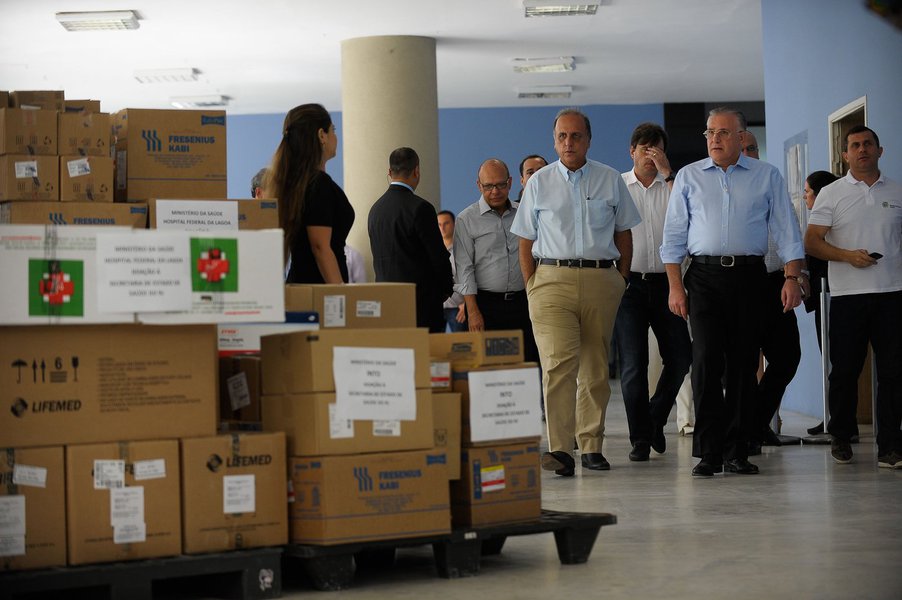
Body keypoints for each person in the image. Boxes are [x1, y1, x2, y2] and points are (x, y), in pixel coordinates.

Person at [661, 107, 804, 477]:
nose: (715, 139)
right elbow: (673, 237)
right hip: (703, 278)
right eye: (709, 133)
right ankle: (709, 452)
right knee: (706, 361)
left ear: (742, 137)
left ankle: (737, 449)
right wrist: (675, 287)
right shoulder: (690, 176)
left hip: (749, 278)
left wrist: (792, 277)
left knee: (743, 363)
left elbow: (787, 230)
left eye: (723, 133)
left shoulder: (766, 176)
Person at [512, 108, 640, 476]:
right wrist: (532, 284)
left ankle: (591, 446)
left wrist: (621, 278)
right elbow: (525, 238)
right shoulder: (538, 182)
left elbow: (624, 232)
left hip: (602, 280)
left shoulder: (610, 179)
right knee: (557, 365)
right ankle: (560, 449)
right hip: (550, 279)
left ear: (588, 139)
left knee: (596, 368)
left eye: (576, 136)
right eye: (562, 137)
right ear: (554, 141)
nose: (569, 143)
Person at [805, 125, 902, 469]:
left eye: (868, 144)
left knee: (893, 373)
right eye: (855, 145)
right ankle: (842, 436)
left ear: (880, 150)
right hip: (847, 296)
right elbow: (812, 241)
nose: (862, 150)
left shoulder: (896, 191)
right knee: (844, 371)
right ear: (845, 155)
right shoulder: (831, 193)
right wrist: (848, 256)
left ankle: (890, 446)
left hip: (892, 296)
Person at [613, 123, 691, 462]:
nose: (649, 155)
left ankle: (655, 418)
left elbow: (689, 216)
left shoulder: (675, 185)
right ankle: (640, 440)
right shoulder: (616, 185)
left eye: (655, 148)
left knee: (681, 357)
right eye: (643, 148)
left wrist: (667, 172)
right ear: (632, 151)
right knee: (634, 364)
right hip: (627, 284)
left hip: (667, 283)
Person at [742, 131, 808, 455]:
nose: (748, 153)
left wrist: (797, 275)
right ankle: (747, 431)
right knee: (741, 364)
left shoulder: (773, 185)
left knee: (787, 357)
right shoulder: (721, 191)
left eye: (752, 147)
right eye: (741, 149)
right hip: (738, 285)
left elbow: (792, 235)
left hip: (776, 281)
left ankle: (754, 424)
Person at [454, 158, 539, 361]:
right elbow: (464, 269)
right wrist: (472, 311)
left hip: (523, 303)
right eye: (488, 186)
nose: (495, 191)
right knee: (489, 372)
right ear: (478, 185)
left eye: (500, 185)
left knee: (528, 368)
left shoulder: (524, 213)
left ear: (510, 182)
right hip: (485, 306)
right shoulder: (466, 219)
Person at [368, 147, 453, 333]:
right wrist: (446, 289)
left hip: (387, 304)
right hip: (421, 305)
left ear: (390, 173)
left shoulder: (375, 210)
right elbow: (438, 257)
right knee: (426, 359)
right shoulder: (421, 208)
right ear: (417, 171)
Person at [267, 103, 353, 284]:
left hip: (301, 285)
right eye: (333, 130)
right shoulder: (318, 184)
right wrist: (341, 295)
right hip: (319, 290)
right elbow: (320, 247)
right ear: (322, 135)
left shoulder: (294, 183)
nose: (336, 137)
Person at [802, 170, 840, 437]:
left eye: (807, 192)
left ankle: (838, 419)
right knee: (828, 358)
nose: (805, 197)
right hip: (820, 296)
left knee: (836, 360)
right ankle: (833, 416)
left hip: (832, 295)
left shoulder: (832, 223)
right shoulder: (816, 220)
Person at [438, 210, 467, 332]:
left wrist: (466, 305)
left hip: (458, 307)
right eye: (439, 224)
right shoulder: (433, 250)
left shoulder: (463, 249)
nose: (442, 228)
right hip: (437, 306)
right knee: (434, 345)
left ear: (454, 224)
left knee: (462, 347)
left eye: (446, 223)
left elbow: (470, 277)